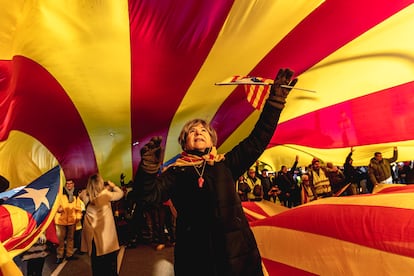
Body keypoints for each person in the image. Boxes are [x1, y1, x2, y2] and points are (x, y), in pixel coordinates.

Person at [133, 68, 298, 276]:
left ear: (212, 140)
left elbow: (257, 140)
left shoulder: (226, 164)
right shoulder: (175, 172)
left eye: (203, 130)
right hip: (196, 257)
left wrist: (274, 104)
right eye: (192, 131)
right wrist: (147, 170)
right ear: (185, 142)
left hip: (236, 254)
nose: (198, 132)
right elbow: (148, 196)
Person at [80, 174, 124, 276]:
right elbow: (120, 194)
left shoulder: (85, 197)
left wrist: (90, 189)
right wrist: (112, 186)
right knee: (111, 270)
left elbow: (81, 193)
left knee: (97, 269)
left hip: (94, 241)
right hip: (107, 242)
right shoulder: (106, 195)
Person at [54, 179, 83, 264]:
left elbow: (78, 207)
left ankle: (69, 254)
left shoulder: (75, 195)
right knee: (60, 239)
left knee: (71, 239)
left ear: (73, 184)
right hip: (60, 220)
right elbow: (54, 204)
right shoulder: (60, 194)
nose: (69, 185)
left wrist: (77, 218)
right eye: (67, 184)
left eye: (71, 183)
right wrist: (57, 209)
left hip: (71, 221)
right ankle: (60, 255)